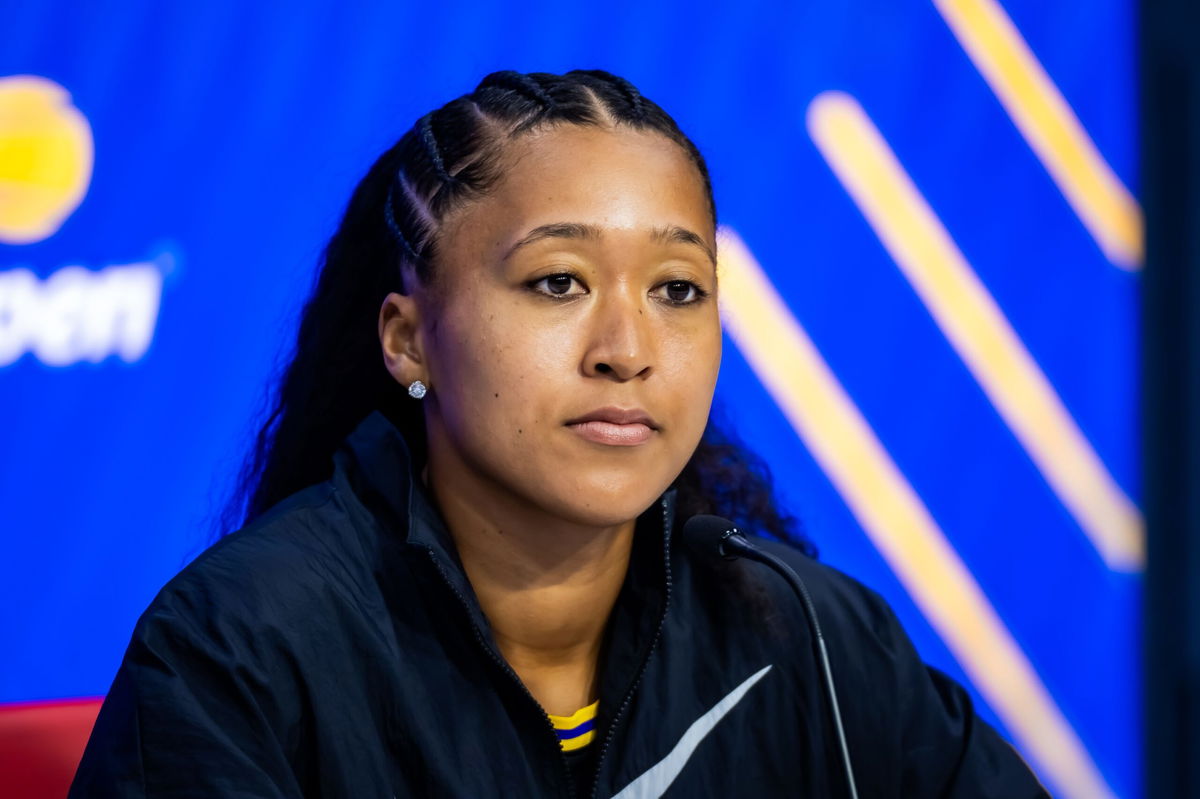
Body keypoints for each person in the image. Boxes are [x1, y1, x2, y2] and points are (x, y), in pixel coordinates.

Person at [69, 69, 1047, 798]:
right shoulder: (239, 648)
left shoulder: (806, 637)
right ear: (408, 340)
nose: (628, 348)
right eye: (557, 283)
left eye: (677, 290)